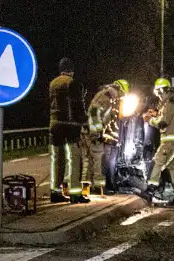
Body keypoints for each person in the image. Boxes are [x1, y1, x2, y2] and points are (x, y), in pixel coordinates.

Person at [143, 78, 174, 203]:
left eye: (158, 92)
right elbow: (167, 117)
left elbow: (163, 123)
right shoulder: (170, 102)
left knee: (158, 162)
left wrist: (148, 119)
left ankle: (150, 189)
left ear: (162, 90)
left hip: (171, 141)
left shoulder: (171, 102)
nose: (158, 95)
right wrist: (156, 113)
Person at [49, 58, 87, 204]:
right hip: (70, 125)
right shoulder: (73, 83)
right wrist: (85, 121)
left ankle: (55, 191)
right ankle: (75, 194)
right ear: (72, 70)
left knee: (57, 159)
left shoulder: (53, 83)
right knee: (74, 159)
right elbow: (78, 105)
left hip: (54, 124)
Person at [83, 79, 129, 195]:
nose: (120, 97)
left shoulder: (109, 99)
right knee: (99, 159)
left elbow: (106, 118)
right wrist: (97, 133)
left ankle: (87, 189)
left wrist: (110, 132)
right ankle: (99, 188)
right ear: (117, 90)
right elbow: (94, 113)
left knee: (90, 162)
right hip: (92, 134)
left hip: (91, 132)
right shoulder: (104, 97)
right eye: (121, 94)